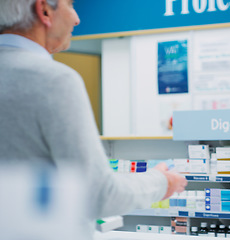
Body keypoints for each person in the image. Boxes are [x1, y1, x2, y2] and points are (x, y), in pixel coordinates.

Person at [0, 0, 187, 238]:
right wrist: (162, 182)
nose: (77, 19)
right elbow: (99, 194)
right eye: (70, 5)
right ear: (44, 10)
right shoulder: (52, 80)